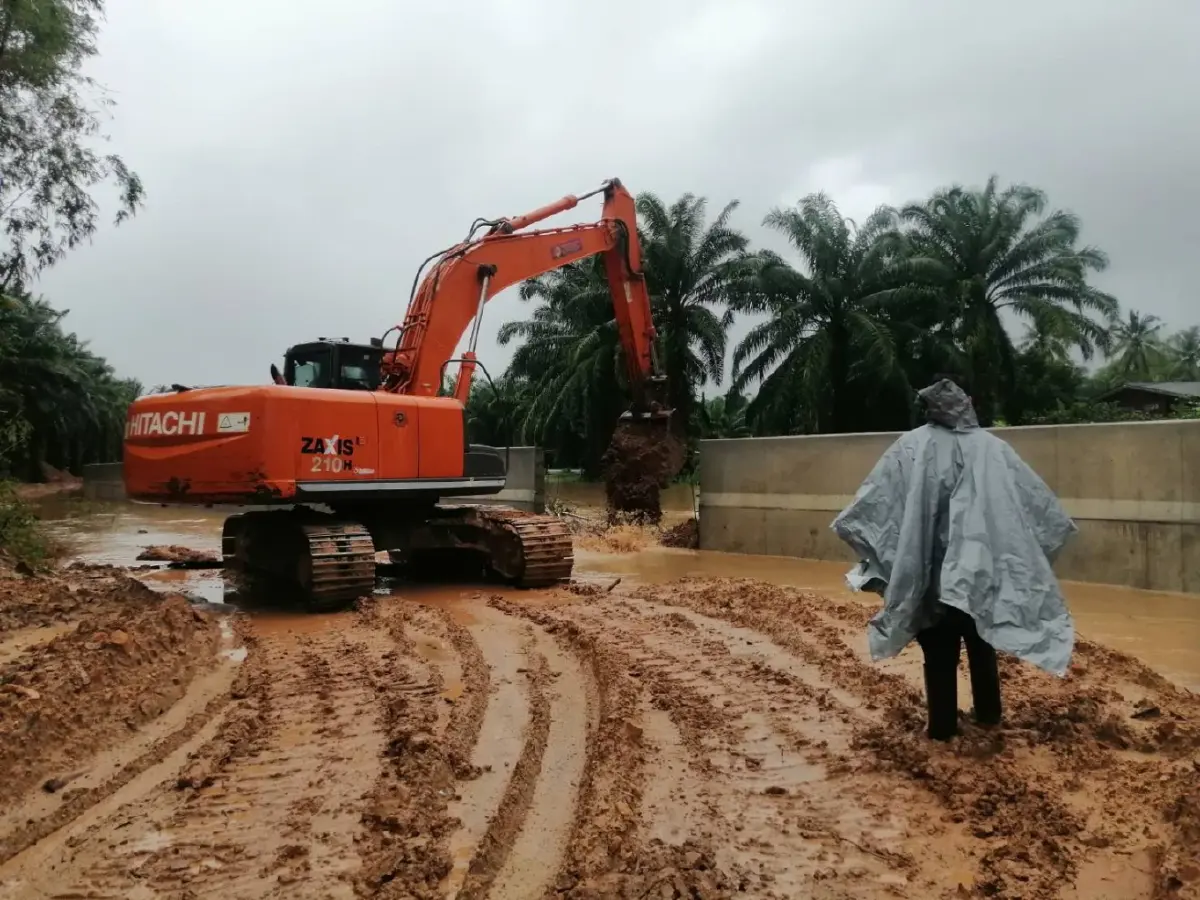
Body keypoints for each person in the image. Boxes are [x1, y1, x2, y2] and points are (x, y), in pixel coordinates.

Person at [831, 375, 1078, 741]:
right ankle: (989, 717)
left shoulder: (910, 447)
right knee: (982, 642)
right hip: (981, 575)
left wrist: (887, 563)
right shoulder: (994, 449)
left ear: (929, 408)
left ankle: (942, 730)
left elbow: (872, 508)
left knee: (939, 650)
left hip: (931, 576)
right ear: (968, 402)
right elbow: (1040, 512)